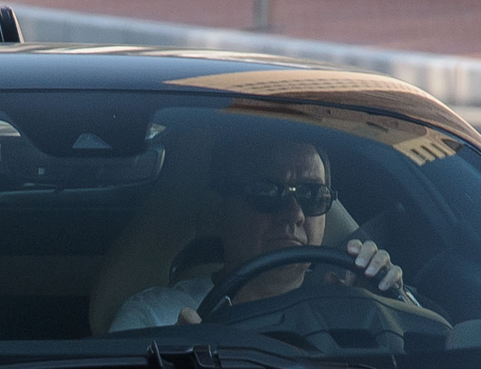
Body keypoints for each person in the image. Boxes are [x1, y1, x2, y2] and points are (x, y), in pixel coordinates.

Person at [111, 134, 404, 331]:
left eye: (312, 194)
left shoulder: (351, 308)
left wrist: (382, 313)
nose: (295, 213)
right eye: (266, 192)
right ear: (218, 208)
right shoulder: (155, 319)